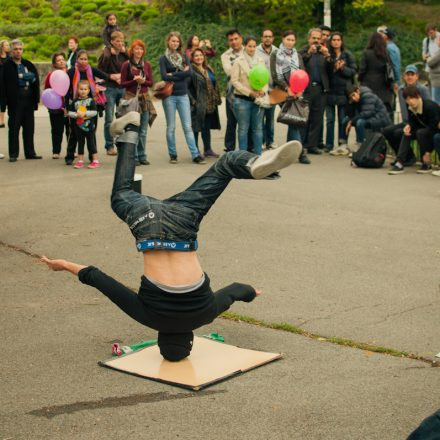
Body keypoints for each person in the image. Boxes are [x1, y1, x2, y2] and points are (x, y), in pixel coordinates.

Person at [41, 111, 302, 362]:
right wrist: (62, 264)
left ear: (190, 340)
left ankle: (251, 163)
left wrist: (250, 293)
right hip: (147, 224)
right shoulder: (147, 317)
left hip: (183, 222)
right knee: (121, 193)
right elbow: (97, 278)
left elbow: (235, 291)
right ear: (159, 338)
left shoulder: (206, 314)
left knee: (223, 167)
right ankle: (131, 129)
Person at [159, 31, 205, 164]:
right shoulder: (163, 58)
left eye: (177, 41)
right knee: (171, 127)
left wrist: (172, 74)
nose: (175, 43)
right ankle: (173, 155)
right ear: (168, 41)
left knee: (187, 127)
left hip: (183, 95)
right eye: (172, 41)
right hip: (169, 96)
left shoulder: (184, 56)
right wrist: (180, 73)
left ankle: (195, 155)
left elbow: (189, 73)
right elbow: (163, 76)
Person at [270, 30, 308, 164]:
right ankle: (301, 152)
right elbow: (275, 75)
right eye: (288, 39)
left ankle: (290, 152)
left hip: (296, 92)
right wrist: (288, 88)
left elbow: (302, 72)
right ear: (283, 39)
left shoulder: (297, 55)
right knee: (293, 121)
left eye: (292, 40)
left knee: (293, 121)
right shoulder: (276, 54)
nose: (290, 42)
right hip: (281, 92)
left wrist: (299, 89)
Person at [0, 39, 41, 162]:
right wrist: (3, 103)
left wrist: (21, 77)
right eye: (15, 49)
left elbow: (34, 79)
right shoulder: (7, 66)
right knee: (14, 128)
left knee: (29, 128)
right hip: (15, 101)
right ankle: (13, 154)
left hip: (28, 99)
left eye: (20, 49)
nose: (18, 51)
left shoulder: (28, 64)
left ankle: (30, 152)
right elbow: (4, 84)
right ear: (11, 51)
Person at [65, 49, 108, 165]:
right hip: (76, 104)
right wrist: (66, 107)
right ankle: (69, 156)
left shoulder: (91, 70)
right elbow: (64, 89)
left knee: (91, 132)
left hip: (91, 106)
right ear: (77, 59)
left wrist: (99, 86)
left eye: (85, 59)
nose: (83, 61)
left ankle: (92, 157)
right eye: (81, 59)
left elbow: (106, 77)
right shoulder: (71, 72)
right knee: (74, 132)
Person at [382, 64, 431, 166]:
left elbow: (427, 107)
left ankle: (405, 158)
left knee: (398, 133)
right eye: (407, 74)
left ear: (417, 76)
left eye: (412, 74)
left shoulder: (422, 89)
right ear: (404, 77)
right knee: (387, 131)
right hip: (407, 121)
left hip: (420, 123)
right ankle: (408, 157)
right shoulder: (401, 90)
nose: (409, 77)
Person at [388, 85, 440, 175]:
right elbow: (412, 122)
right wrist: (408, 126)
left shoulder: (429, 106)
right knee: (407, 133)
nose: (410, 101)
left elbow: (434, 126)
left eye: (412, 98)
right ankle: (400, 162)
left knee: (421, 133)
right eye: (407, 99)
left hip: (434, 130)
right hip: (424, 130)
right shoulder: (411, 108)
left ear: (418, 96)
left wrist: (427, 152)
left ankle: (426, 163)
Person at [230, 36, 268, 156]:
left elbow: (265, 78)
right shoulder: (238, 61)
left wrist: (263, 90)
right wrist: (249, 92)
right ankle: (242, 156)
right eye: (249, 46)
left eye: (253, 46)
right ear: (245, 46)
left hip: (258, 99)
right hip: (242, 100)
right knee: (243, 129)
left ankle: (258, 155)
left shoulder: (260, 60)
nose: (252, 49)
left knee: (258, 128)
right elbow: (234, 81)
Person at [299, 28, 333, 156]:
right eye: (314, 38)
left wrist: (328, 56)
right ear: (309, 39)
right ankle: (301, 144)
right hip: (307, 89)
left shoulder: (324, 52)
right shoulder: (303, 50)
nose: (316, 41)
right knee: (304, 118)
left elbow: (331, 71)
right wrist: (309, 53)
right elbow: (298, 63)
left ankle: (312, 145)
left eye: (318, 38)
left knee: (317, 118)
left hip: (321, 88)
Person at [120, 39, 154, 166]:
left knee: (143, 130)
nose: (139, 51)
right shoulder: (126, 65)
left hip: (144, 98)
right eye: (136, 49)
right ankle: (132, 156)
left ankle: (142, 155)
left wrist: (143, 81)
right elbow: (122, 83)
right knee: (132, 128)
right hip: (131, 98)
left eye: (141, 49)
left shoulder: (147, 65)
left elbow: (151, 82)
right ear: (132, 50)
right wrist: (135, 81)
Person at [98, 31, 128, 156]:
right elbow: (99, 71)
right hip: (110, 88)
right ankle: (109, 146)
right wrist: (111, 76)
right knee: (109, 119)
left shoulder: (125, 54)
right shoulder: (106, 53)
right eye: (117, 41)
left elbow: (132, 66)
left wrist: (123, 76)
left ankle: (121, 144)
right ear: (111, 42)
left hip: (122, 88)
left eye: (121, 41)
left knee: (122, 118)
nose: (119, 43)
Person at [326, 32, 356, 154]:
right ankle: (328, 144)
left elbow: (353, 71)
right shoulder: (327, 54)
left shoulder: (347, 55)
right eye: (334, 40)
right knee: (330, 119)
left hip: (344, 91)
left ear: (342, 41)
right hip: (330, 90)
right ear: (331, 41)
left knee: (343, 119)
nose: (336, 42)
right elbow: (325, 72)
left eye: (338, 39)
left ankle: (342, 143)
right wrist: (334, 67)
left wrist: (343, 68)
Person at [188, 48, 221, 158]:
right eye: (196, 56)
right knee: (196, 128)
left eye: (201, 55)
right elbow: (186, 88)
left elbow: (214, 83)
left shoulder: (208, 69)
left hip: (210, 103)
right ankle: (195, 151)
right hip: (198, 104)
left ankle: (207, 149)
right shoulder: (191, 71)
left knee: (206, 127)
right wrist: (193, 102)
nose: (199, 57)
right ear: (192, 58)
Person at [340, 84, 391, 155]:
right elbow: (349, 114)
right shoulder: (354, 99)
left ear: (358, 91)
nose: (353, 98)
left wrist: (352, 121)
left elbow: (368, 112)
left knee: (359, 122)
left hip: (379, 118)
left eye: (353, 95)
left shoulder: (367, 95)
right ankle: (343, 146)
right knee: (346, 120)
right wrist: (350, 103)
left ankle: (360, 147)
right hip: (368, 117)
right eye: (351, 97)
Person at [359, 32, 394, 120]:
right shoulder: (385, 53)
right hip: (383, 86)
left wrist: (359, 80)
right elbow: (390, 68)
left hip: (369, 85)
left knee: (370, 112)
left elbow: (362, 70)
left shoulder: (366, 53)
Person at [68, 80, 100, 169]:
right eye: (81, 89)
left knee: (91, 143)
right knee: (80, 143)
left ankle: (95, 160)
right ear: (77, 90)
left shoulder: (91, 101)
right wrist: (76, 115)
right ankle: (80, 161)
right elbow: (70, 113)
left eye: (85, 89)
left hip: (89, 127)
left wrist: (85, 114)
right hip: (78, 127)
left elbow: (94, 112)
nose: (83, 91)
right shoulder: (75, 101)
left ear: (89, 90)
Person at [221, 29, 244, 152]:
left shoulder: (249, 50)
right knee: (231, 122)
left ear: (241, 38)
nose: (234, 42)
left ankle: (245, 149)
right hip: (232, 95)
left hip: (248, 93)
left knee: (246, 124)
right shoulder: (225, 56)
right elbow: (229, 72)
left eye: (236, 39)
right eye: (231, 40)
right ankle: (229, 149)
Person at [44, 52, 70, 159]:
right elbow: (47, 91)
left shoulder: (71, 73)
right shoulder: (51, 75)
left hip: (69, 107)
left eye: (63, 59)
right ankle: (56, 151)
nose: (61, 61)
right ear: (54, 64)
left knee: (71, 131)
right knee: (56, 130)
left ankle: (71, 150)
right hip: (55, 108)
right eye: (58, 60)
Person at [257, 28, 277, 150]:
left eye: (270, 36)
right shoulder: (256, 51)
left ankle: (270, 141)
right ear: (262, 38)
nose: (267, 38)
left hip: (273, 90)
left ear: (273, 38)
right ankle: (261, 141)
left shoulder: (277, 51)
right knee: (260, 118)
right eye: (265, 36)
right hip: (260, 90)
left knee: (270, 118)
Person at [423, 23, 440, 103]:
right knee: (430, 91)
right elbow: (424, 52)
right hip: (429, 69)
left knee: (436, 95)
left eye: (431, 32)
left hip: (437, 67)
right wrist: (424, 56)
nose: (430, 34)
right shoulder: (426, 40)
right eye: (429, 33)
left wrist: (430, 59)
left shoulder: (439, 37)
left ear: (435, 30)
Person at [426, 34, 440, 105]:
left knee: (436, 102)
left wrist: (428, 58)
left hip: (437, 80)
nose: (437, 42)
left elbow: (430, 63)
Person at [0, 40, 11, 128]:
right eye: (6, 45)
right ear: (2, 47)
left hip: (6, 82)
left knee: (3, 101)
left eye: (8, 45)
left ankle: (2, 121)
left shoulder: (10, 58)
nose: (8, 47)